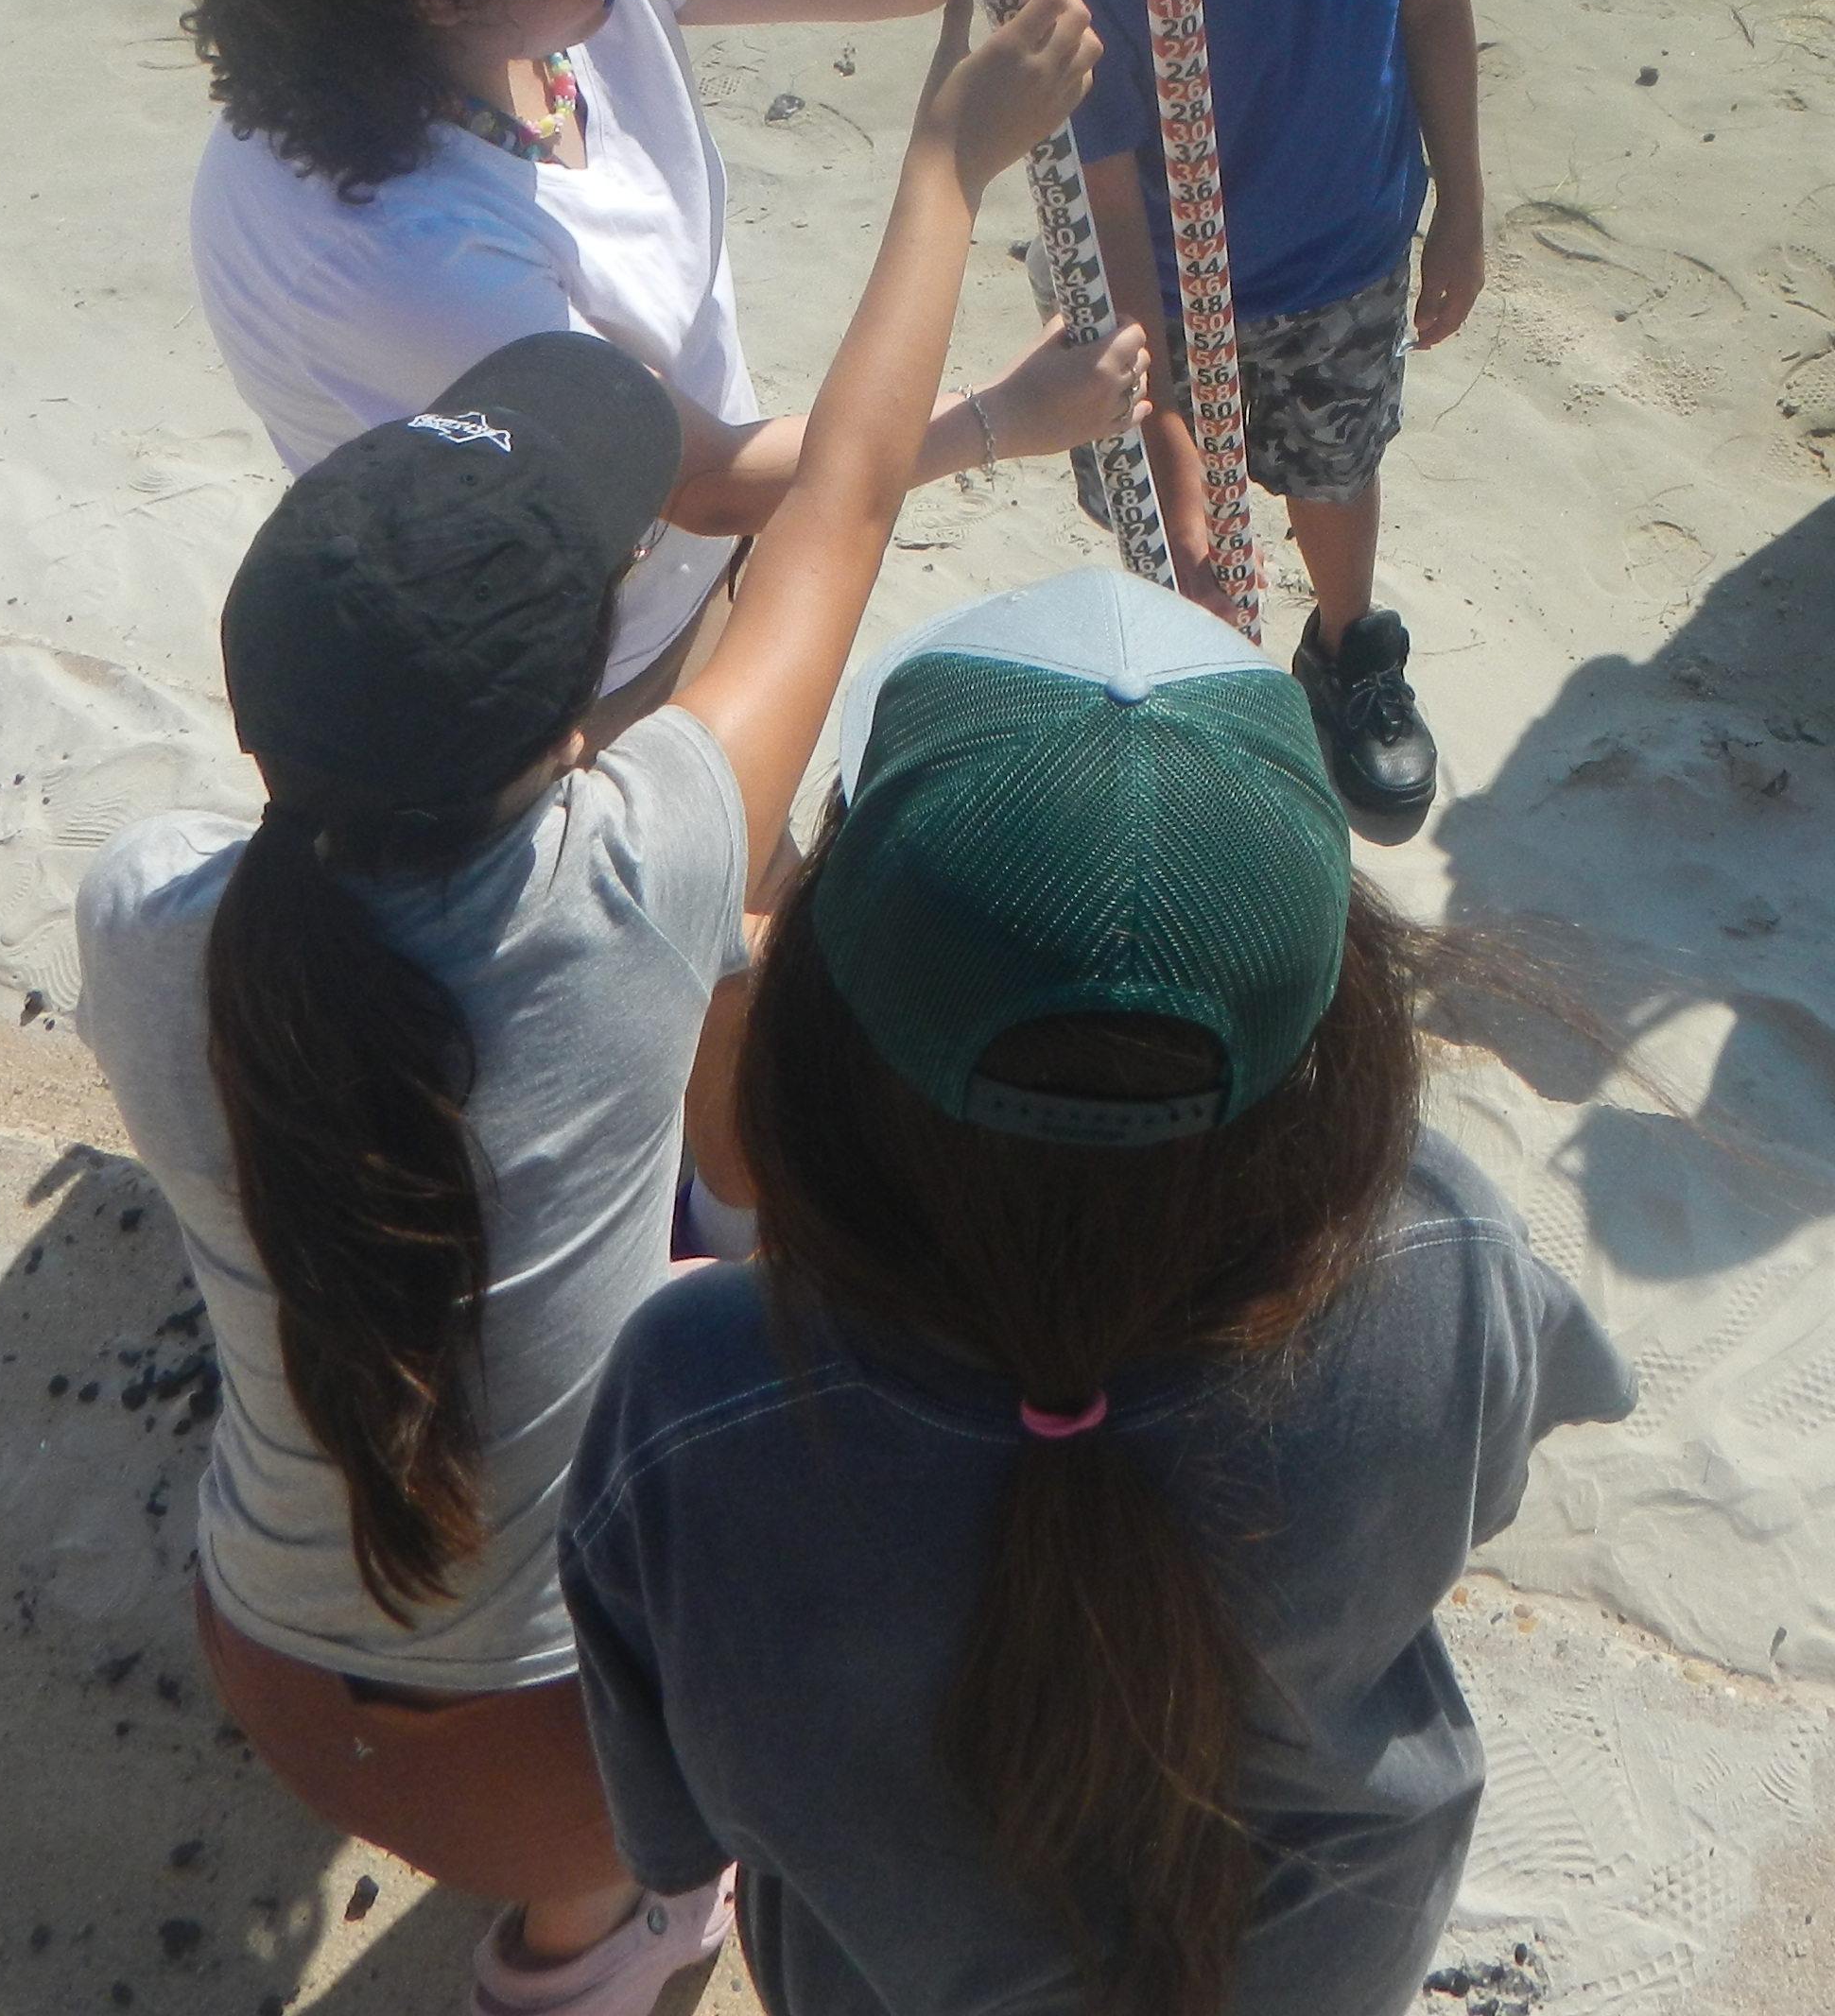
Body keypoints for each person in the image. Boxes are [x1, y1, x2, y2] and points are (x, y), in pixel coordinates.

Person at [72, 0, 1113, 2016]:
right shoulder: (633, 893)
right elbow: (843, 513)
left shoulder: (146, 918)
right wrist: (941, 165)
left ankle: (575, 1931)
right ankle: (609, 1935)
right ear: (578, 733)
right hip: (589, 1769)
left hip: (273, 1670)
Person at [557, 566, 1633, 2016]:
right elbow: (1490, 1483)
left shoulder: (695, 1395)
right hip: (1329, 1946)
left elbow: (669, 1819)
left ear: (822, 1023)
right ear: (1347, 1022)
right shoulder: (1444, 1251)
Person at [166, 0, 1145, 733]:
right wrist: (1003, 416)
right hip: (570, 693)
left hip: (705, 564)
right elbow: (708, 481)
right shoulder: (397, 254)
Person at [1023, 0, 1497, 823]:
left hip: (1350, 250)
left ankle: (1348, 653)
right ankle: (1185, 681)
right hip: (1165, 288)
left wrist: (1464, 208)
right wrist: (1169, 435)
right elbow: (1110, 203)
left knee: (1338, 467)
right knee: (1179, 551)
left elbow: (1436, 9)